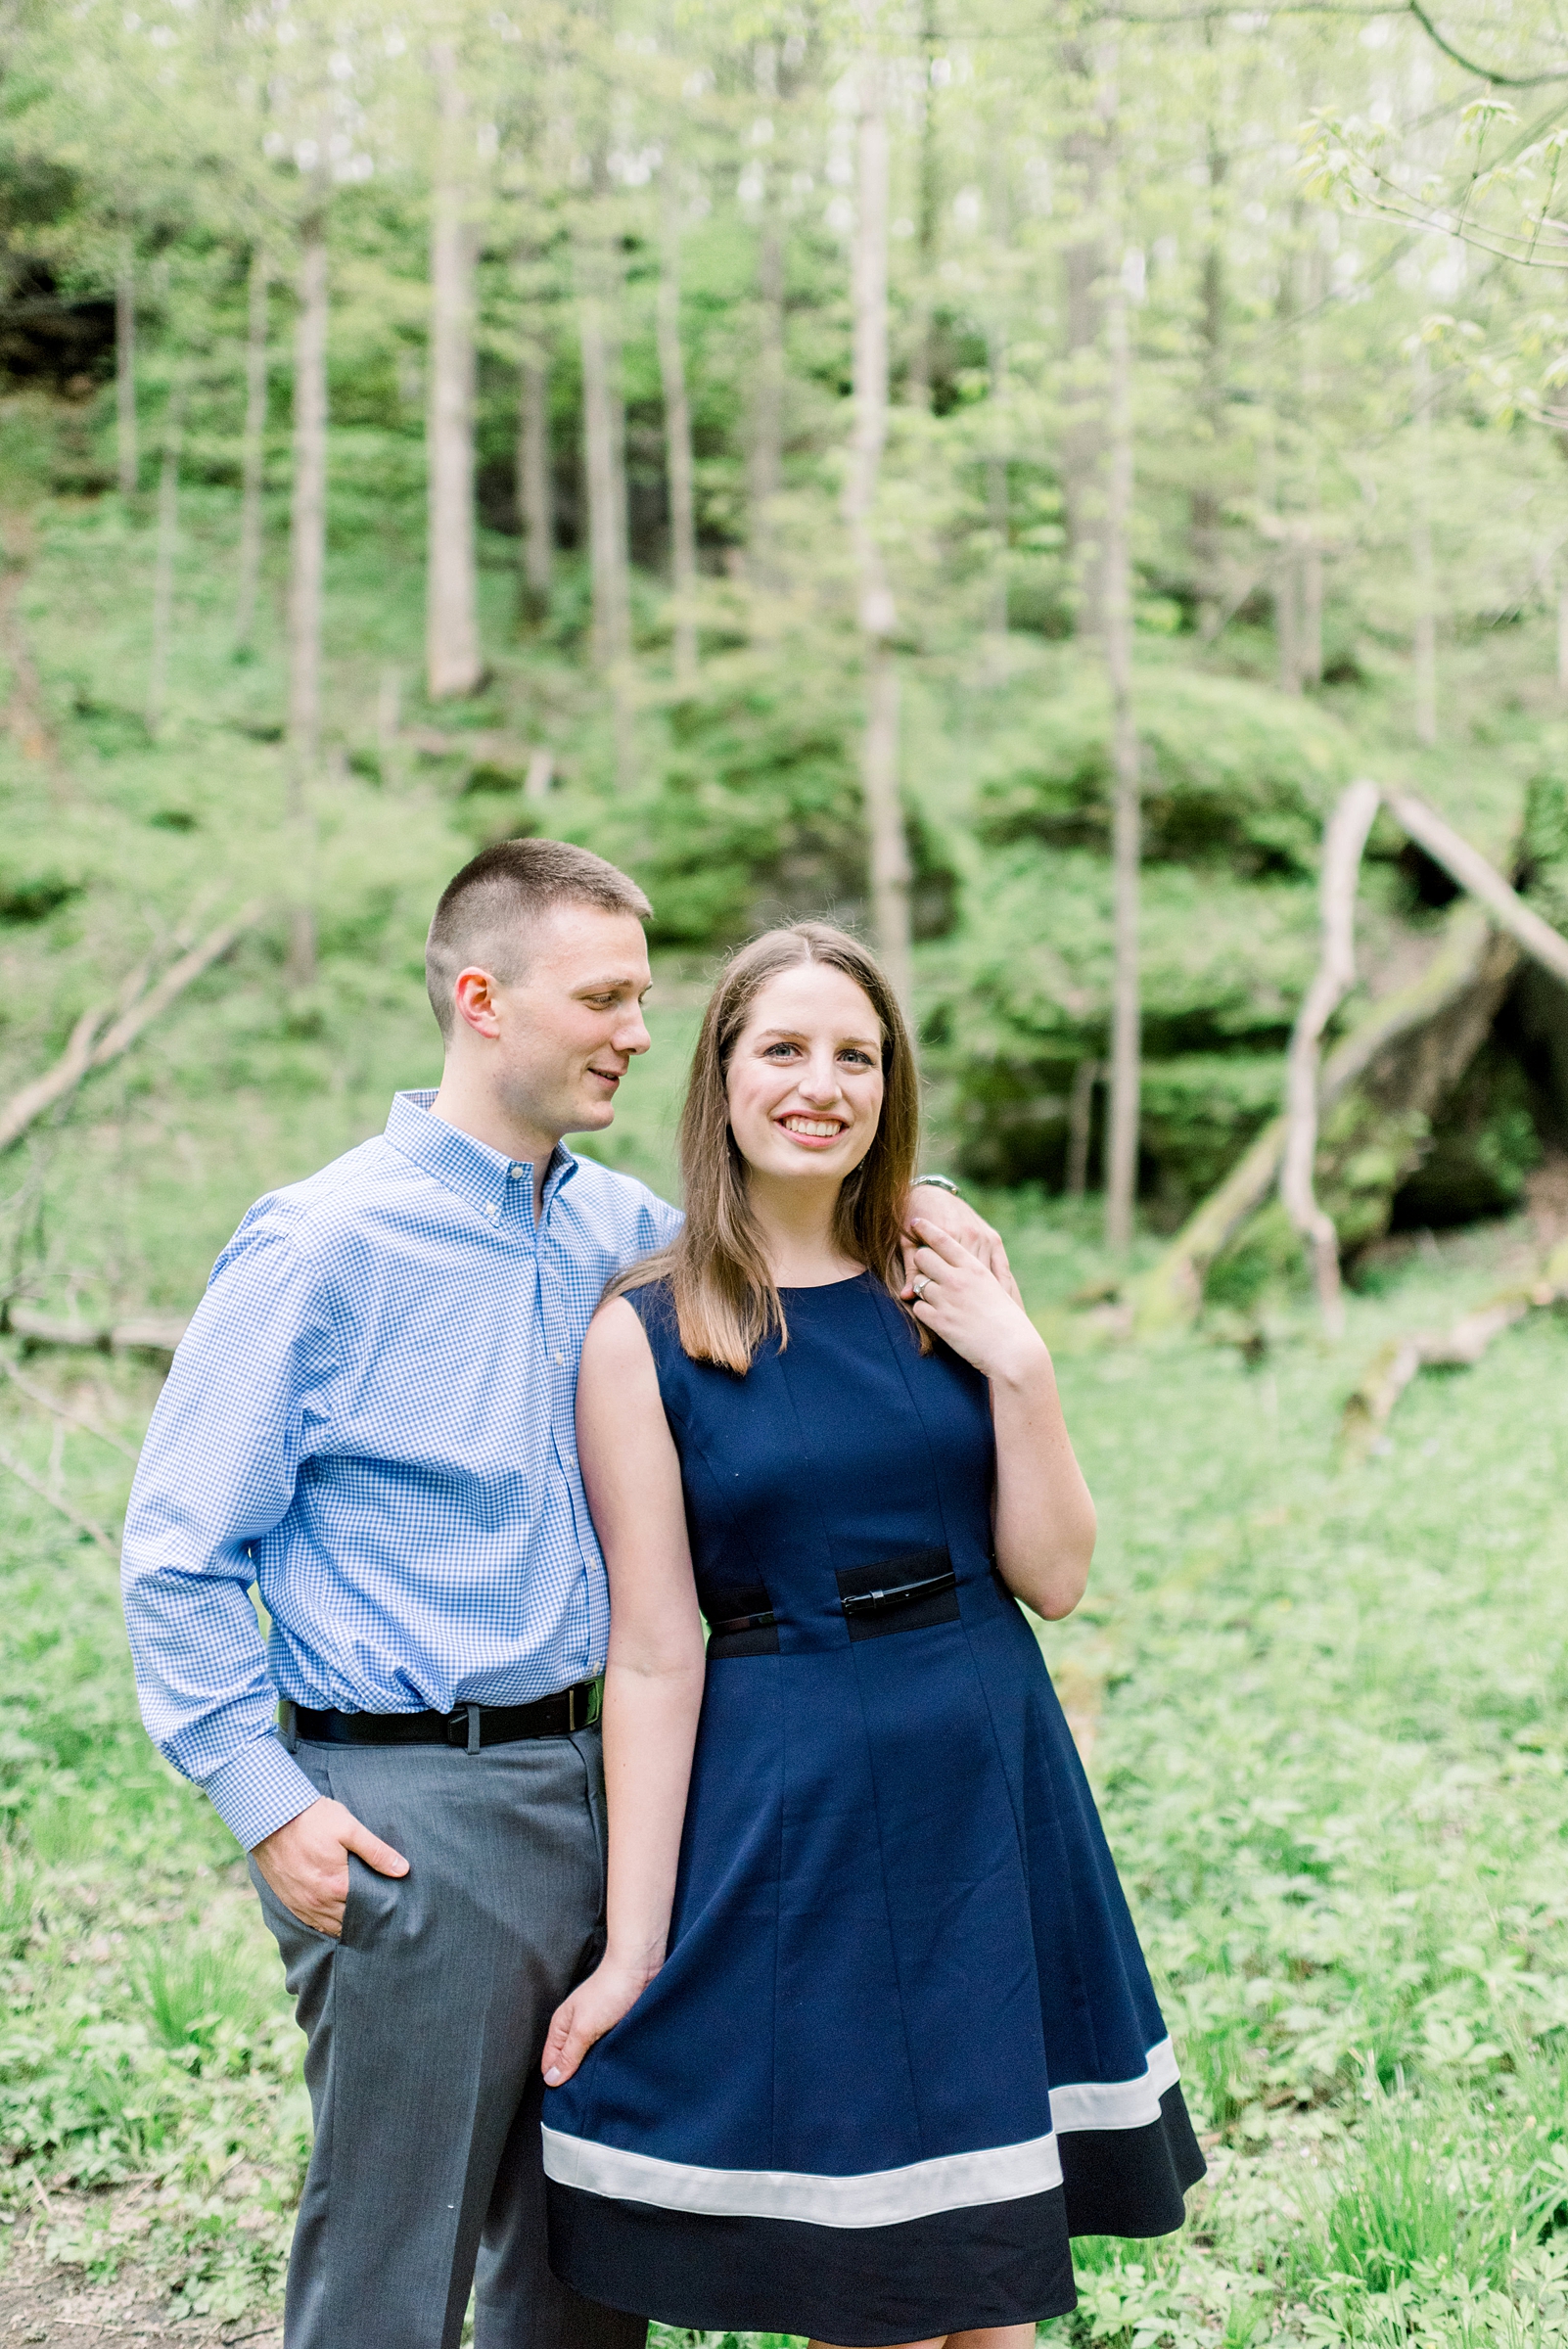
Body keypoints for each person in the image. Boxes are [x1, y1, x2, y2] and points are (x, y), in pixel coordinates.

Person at [119, 842, 1005, 2349]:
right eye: (604, 998)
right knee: (394, 2260)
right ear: (483, 1000)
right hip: (416, 1814)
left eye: (645, 998)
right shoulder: (325, 1244)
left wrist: (927, 1212)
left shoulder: (617, 1234)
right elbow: (179, 1549)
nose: (638, 1032)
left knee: (599, 2245)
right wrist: (263, 1797)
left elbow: (783, 1232)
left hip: (628, 1787)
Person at [537, 920, 1206, 2349]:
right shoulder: (644, 1332)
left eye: (857, 1054)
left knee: (994, 2270)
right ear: (718, 1077)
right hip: (801, 1795)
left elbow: (1056, 1572)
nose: (820, 1084)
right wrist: (631, 1945)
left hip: (984, 1767)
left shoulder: (943, 1276)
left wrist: (1016, 1359)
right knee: (884, 2278)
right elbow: (655, 1649)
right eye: (782, 1049)